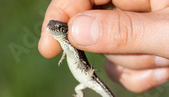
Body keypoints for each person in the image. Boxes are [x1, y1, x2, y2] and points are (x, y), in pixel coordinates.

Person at [40, 0, 169, 93]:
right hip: (84, 80)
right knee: (78, 89)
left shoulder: (70, 39)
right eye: (52, 26)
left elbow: (73, 54)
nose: (51, 29)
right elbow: (69, 52)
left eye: (56, 27)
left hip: (89, 77)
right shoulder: (66, 42)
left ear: (62, 30)